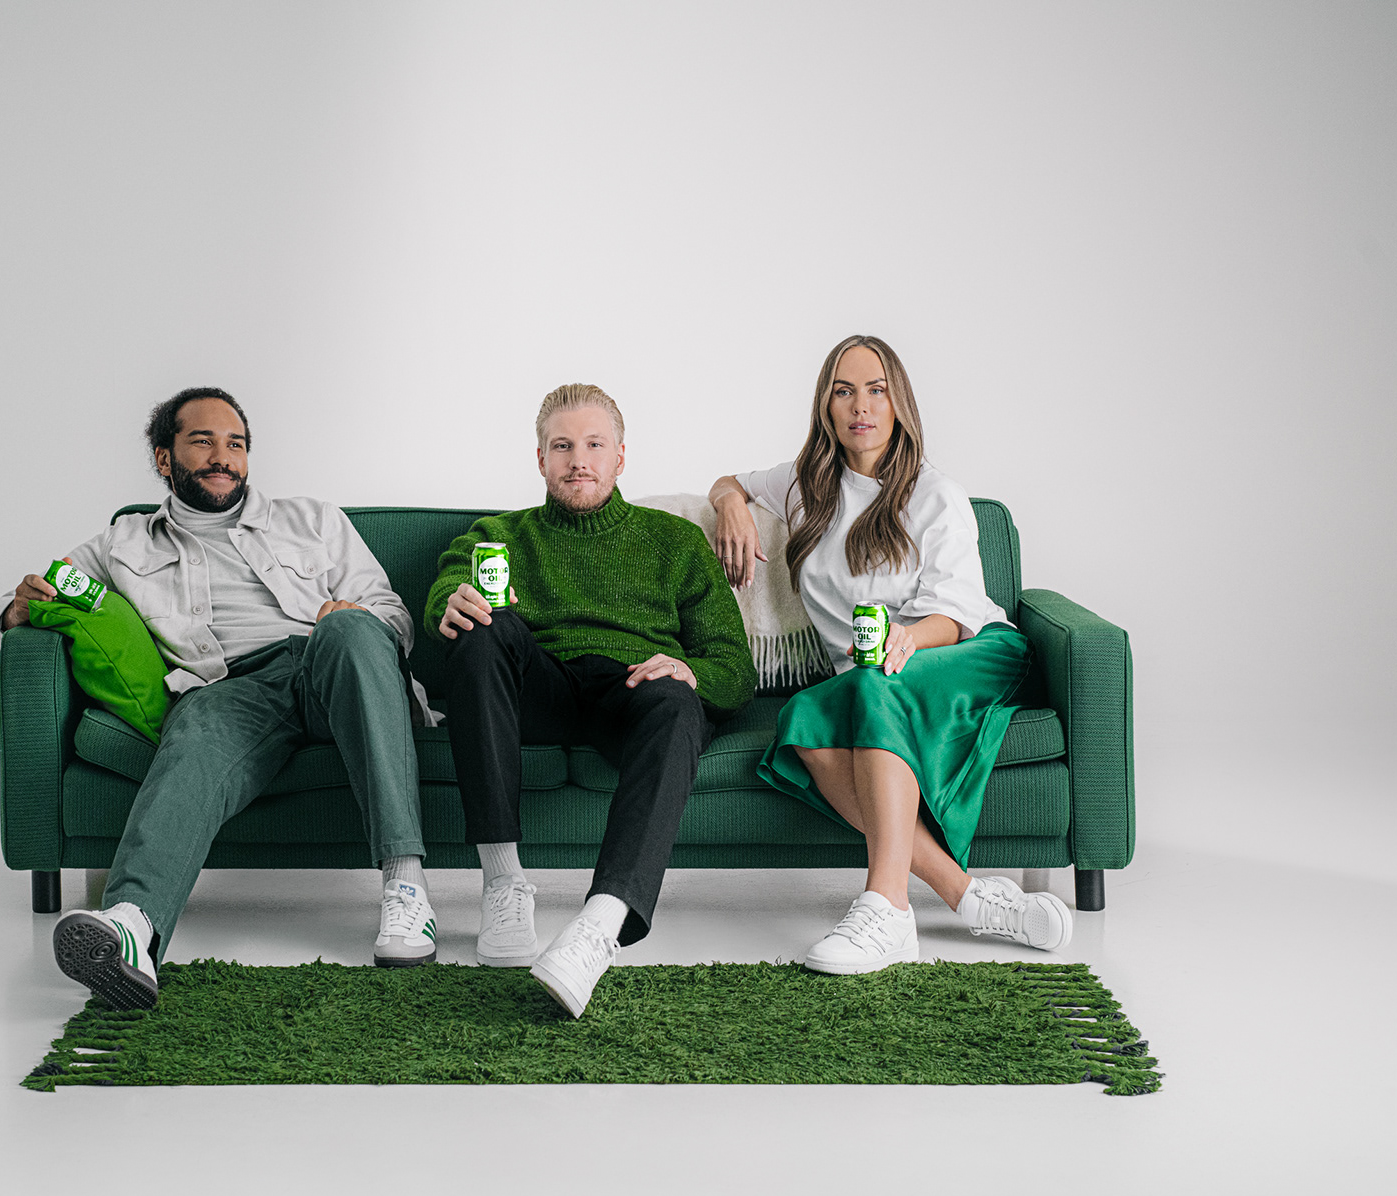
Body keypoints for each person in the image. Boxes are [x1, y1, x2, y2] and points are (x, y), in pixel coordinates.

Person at [0, 387, 440, 1009]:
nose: (224, 457)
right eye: (203, 441)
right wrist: (13, 611)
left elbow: (394, 617)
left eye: (236, 444)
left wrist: (351, 616)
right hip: (230, 689)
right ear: (164, 459)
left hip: (330, 667)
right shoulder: (123, 543)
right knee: (191, 735)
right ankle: (132, 929)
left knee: (355, 629)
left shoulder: (315, 520)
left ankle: (406, 890)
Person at [708, 336, 1072, 973]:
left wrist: (910, 636)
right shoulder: (804, 486)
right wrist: (732, 506)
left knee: (876, 684)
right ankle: (968, 897)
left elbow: (956, 614)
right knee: (803, 719)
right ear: (826, 405)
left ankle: (887, 905)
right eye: (844, 391)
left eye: (876, 390)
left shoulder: (935, 494)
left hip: (969, 650)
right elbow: (728, 481)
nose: (861, 406)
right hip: (875, 671)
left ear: (898, 401)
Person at [426, 384, 756, 1017]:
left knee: (679, 698)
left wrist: (687, 669)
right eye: (562, 446)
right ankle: (503, 882)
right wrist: (452, 600)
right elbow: (452, 579)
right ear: (541, 459)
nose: (579, 460)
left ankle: (599, 926)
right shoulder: (500, 535)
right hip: (537, 684)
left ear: (620, 457)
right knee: (480, 626)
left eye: (594, 445)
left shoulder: (676, 542)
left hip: (630, 689)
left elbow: (735, 670)